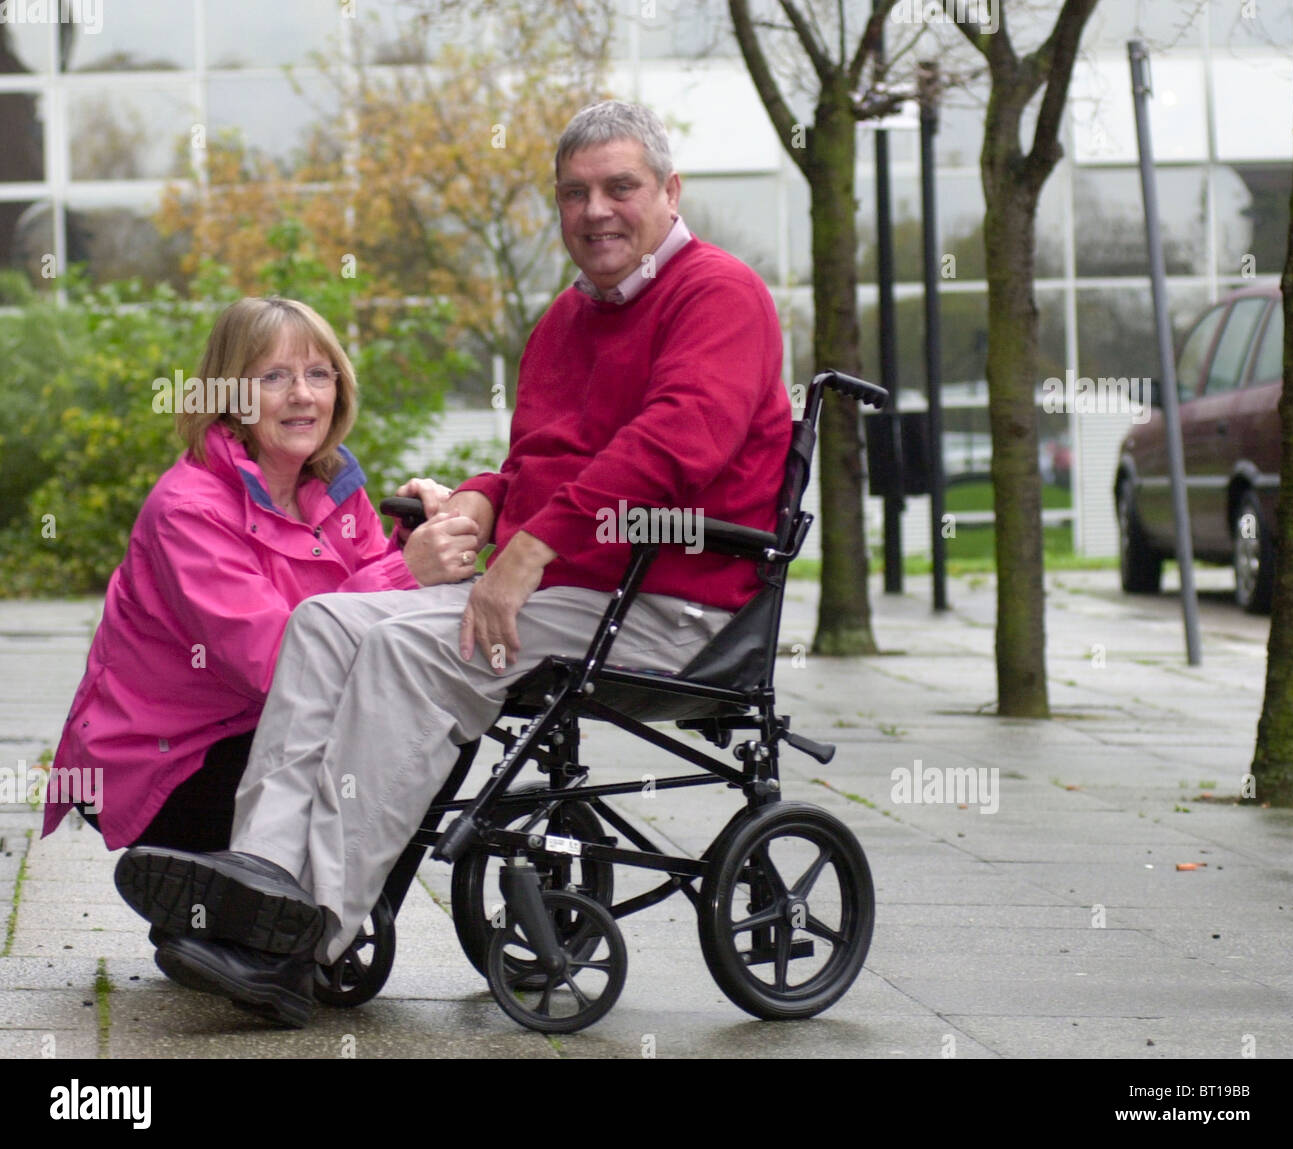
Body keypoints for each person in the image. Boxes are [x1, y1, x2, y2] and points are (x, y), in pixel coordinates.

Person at [114, 101, 792, 1027]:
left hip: (668, 599)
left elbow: (676, 447)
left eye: (620, 187)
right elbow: (542, 463)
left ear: (670, 192)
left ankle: (309, 935)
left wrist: (529, 547)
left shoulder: (719, 294)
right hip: (573, 591)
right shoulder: (565, 321)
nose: (596, 210)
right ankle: (261, 876)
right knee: (324, 622)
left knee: (404, 652)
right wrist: (482, 497)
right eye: (575, 193)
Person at [45, 297, 475, 861]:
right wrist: (408, 570)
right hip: (167, 762)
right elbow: (278, 667)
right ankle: (263, 899)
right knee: (409, 736)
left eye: (318, 374)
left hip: (267, 729)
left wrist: (413, 542)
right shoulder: (189, 511)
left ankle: (324, 907)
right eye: (274, 377)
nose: (303, 394)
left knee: (441, 717)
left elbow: (376, 604)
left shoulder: (330, 484)